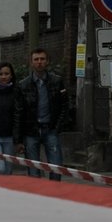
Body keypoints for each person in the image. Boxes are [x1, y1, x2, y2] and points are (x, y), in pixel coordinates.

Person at [16, 48, 71, 180]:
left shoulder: (57, 81)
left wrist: (57, 127)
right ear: (31, 62)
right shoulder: (23, 85)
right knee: (33, 172)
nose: (39, 62)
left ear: (47, 62)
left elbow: (65, 106)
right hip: (31, 132)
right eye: (36, 59)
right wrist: (18, 139)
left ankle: (54, 197)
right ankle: (37, 198)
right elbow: (19, 112)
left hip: (51, 129)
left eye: (42, 59)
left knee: (56, 169)